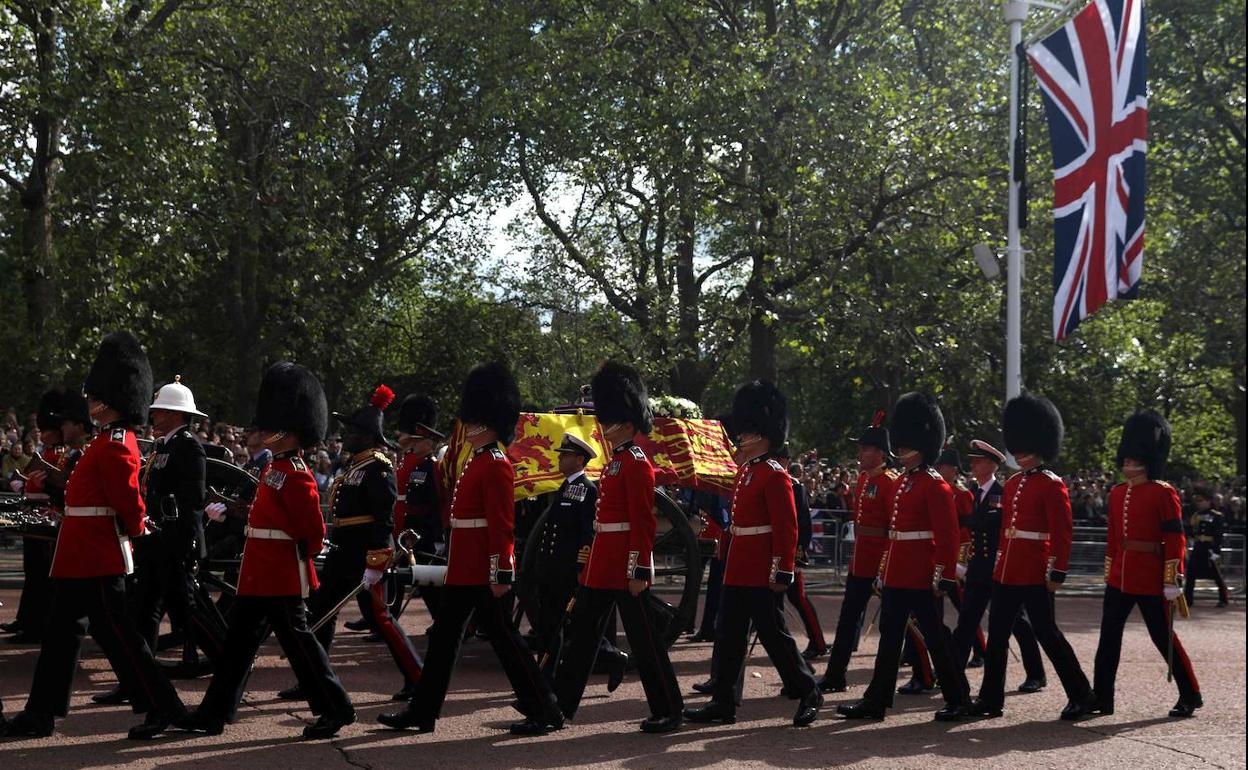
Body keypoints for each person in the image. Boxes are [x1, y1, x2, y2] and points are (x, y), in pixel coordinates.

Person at [2, 332, 187, 740]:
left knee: (122, 640)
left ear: (106, 400)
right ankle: (40, 715)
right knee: (62, 635)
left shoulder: (116, 443)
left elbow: (128, 499)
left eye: (93, 396)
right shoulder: (103, 442)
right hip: (80, 553)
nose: (88, 402)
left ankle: (164, 707)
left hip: (97, 555)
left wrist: (138, 529)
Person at [378, 362, 563, 736]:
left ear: (486, 420)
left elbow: (501, 525)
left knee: (505, 640)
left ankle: (546, 708)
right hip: (464, 567)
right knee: (445, 640)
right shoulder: (476, 461)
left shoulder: (495, 463)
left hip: (481, 570)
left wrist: (500, 572)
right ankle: (423, 711)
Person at [187, 362, 355, 740]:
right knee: (237, 645)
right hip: (260, 571)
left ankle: (336, 707)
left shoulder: (295, 472)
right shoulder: (273, 468)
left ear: (289, 430)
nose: (260, 431)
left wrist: (301, 558)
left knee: (300, 645)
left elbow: (311, 529)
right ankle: (215, 712)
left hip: (279, 574)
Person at [551, 362, 684, 733]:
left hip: (625, 568)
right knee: (582, 638)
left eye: (609, 421)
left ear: (625, 422)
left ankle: (669, 708)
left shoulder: (637, 464)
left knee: (646, 644)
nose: (603, 428)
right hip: (602, 563)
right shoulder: (616, 463)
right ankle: (559, 706)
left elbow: (643, 523)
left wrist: (640, 568)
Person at [683, 381, 821, 727]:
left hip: (761, 569)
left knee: (776, 638)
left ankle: (808, 691)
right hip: (738, 568)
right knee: (729, 636)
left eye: (747, 433)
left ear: (764, 436)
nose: (740, 438)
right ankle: (723, 702)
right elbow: (739, 525)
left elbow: (786, 529)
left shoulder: (775, 475)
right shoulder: (746, 472)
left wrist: (782, 570)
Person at [283, 384, 424, 703]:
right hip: (344, 552)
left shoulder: (378, 468)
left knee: (381, 619)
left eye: (353, 432)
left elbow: (382, 518)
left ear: (368, 436)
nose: (346, 436)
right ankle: (312, 679)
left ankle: (418, 678)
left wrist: (375, 563)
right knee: (321, 613)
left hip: (364, 556)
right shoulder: (356, 467)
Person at [836, 392, 970, 722]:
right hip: (898, 572)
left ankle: (959, 698)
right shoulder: (906, 482)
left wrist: (943, 574)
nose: (902, 447)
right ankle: (876, 700)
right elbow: (893, 534)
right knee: (890, 636)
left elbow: (948, 535)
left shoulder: (935, 486)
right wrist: (884, 570)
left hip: (920, 574)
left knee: (935, 639)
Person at [969, 393, 1095, 720]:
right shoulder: (1012, 484)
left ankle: (1082, 694)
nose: (1020, 451)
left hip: (1035, 570)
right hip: (1007, 571)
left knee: (1048, 634)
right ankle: (990, 699)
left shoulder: (1052, 485)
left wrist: (1058, 571)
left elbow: (1062, 532)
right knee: (997, 636)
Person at [1089, 409, 1202, 719]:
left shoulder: (1164, 493)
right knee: (1108, 638)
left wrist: (1171, 577)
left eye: (1133, 457)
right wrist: (1111, 571)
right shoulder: (1116, 494)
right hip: (1121, 577)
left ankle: (1190, 693)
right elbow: (1114, 538)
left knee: (1162, 637)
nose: (1127, 461)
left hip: (1151, 577)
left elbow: (1175, 537)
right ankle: (1102, 697)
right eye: (1126, 457)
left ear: (1147, 458)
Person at [132, 377, 226, 678]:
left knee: (188, 613)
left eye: (159, 412)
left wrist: (184, 543)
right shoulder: (164, 446)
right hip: (156, 542)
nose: (154, 416)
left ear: (174, 414)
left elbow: (192, 500)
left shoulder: (189, 447)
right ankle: (139, 676)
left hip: (175, 543)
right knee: (144, 611)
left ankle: (228, 663)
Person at [532, 431, 628, 689]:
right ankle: (545, 682)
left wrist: (581, 568)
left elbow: (588, 533)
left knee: (570, 629)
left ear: (579, 459)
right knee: (550, 628)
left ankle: (611, 657)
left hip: (568, 572)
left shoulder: (586, 490)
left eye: (565, 455)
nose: (560, 459)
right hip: (553, 569)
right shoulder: (565, 488)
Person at [948, 439, 1046, 691]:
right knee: (967, 622)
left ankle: (1036, 673)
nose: (972, 464)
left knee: (1018, 624)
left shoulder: (1000, 493)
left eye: (978, 461)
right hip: (978, 568)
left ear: (991, 465)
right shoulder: (977, 492)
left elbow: (994, 528)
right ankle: (952, 673)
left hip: (1000, 567)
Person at [3, 389, 67, 643]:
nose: (43, 433)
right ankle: (26, 619)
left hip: (50, 520)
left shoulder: (62, 455)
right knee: (32, 572)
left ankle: (36, 625)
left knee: (42, 576)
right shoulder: (46, 452)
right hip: (35, 517)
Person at [392, 393, 446, 625]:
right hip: (406, 530)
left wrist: (434, 536)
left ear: (428, 443)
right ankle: (386, 620)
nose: (414, 444)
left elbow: (437, 503)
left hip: (421, 534)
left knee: (426, 583)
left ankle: (443, 622)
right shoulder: (408, 462)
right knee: (396, 576)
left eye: (418, 441)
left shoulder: (431, 466)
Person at [786, 460, 826, 661]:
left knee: (798, 598)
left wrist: (798, 555)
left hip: (791, 553)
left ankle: (818, 643)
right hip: (773, 552)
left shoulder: (795, 486)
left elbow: (803, 524)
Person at [1184, 484, 1230, 607]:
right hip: (1198, 546)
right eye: (1197, 501)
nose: (1199, 503)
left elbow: (1218, 534)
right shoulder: (1196, 515)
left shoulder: (1216, 516)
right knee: (1191, 574)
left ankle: (1223, 599)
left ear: (1208, 501)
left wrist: (1216, 551)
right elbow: (1192, 530)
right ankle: (1188, 599)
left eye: (1201, 500)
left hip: (1210, 548)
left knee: (1217, 575)